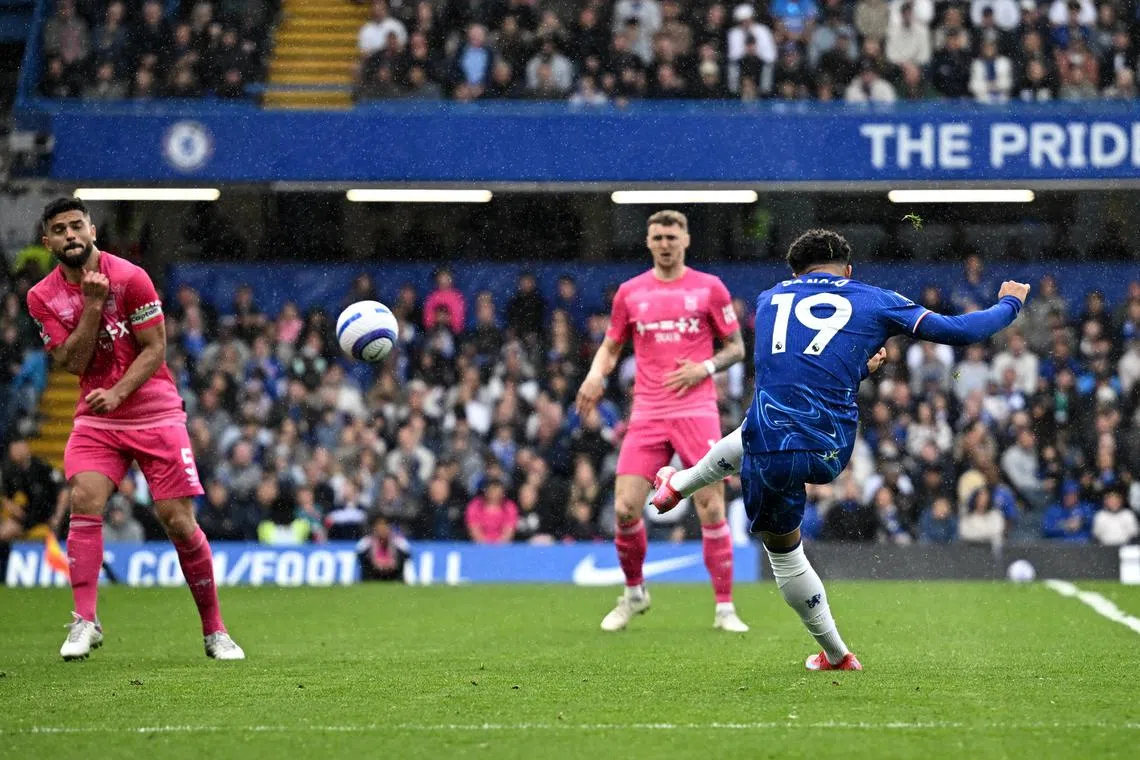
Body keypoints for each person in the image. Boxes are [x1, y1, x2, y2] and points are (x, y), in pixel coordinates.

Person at [651, 229, 1029, 670]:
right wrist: (1010, 303)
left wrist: (852, 367)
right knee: (767, 426)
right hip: (831, 448)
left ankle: (836, 651)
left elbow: (796, 368)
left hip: (771, 447)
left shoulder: (771, 298)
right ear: (849, 270)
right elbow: (961, 331)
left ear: (794, 271)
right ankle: (678, 483)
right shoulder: (874, 297)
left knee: (783, 549)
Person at [25, 198, 244, 661]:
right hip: (98, 416)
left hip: (154, 410)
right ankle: (86, 621)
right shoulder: (41, 296)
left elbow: (155, 349)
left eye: (77, 226)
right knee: (84, 499)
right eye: (60, 229)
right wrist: (92, 306)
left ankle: (215, 630)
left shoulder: (132, 277)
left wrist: (120, 392)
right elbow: (71, 362)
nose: (70, 235)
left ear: (92, 230)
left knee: (178, 523)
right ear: (48, 241)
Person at [574, 210, 749, 633]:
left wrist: (704, 368)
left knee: (710, 506)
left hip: (697, 410)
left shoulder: (709, 288)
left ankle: (725, 608)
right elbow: (612, 347)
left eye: (672, 235)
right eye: (658, 236)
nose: (666, 243)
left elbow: (737, 348)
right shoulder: (631, 293)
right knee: (624, 508)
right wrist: (596, 375)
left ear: (686, 240)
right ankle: (634, 593)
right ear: (648, 242)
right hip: (648, 412)